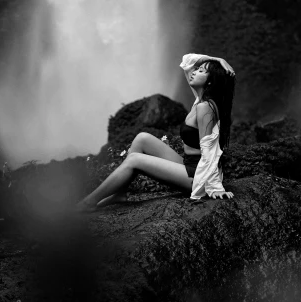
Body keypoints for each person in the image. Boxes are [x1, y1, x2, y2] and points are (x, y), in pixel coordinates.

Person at [76, 54, 236, 210]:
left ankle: (88, 203)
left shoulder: (205, 107)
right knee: (142, 138)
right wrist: (218, 60)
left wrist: (214, 187)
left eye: (201, 71)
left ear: (210, 82)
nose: (194, 72)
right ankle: (120, 193)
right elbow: (188, 59)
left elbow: (210, 149)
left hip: (197, 176)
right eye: (197, 69)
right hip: (189, 164)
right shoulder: (199, 100)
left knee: (134, 160)